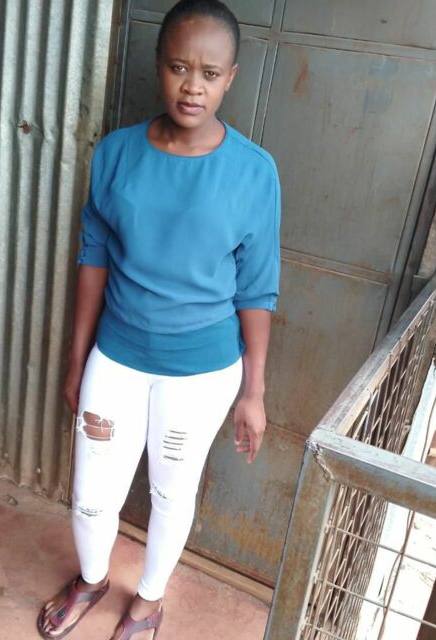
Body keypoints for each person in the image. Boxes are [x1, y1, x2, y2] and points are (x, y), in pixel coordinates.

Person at [37, 0, 281, 638]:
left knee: (173, 492)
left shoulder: (254, 173)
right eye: (179, 67)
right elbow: (93, 258)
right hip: (117, 356)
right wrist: (78, 361)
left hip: (201, 372)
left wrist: (254, 392)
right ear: (159, 65)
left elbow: (257, 288)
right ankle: (92, 579)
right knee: (92, 491)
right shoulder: (116, 154)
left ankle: (147, 602)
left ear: (230, 78)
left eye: (210, 73)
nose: (192, 86)